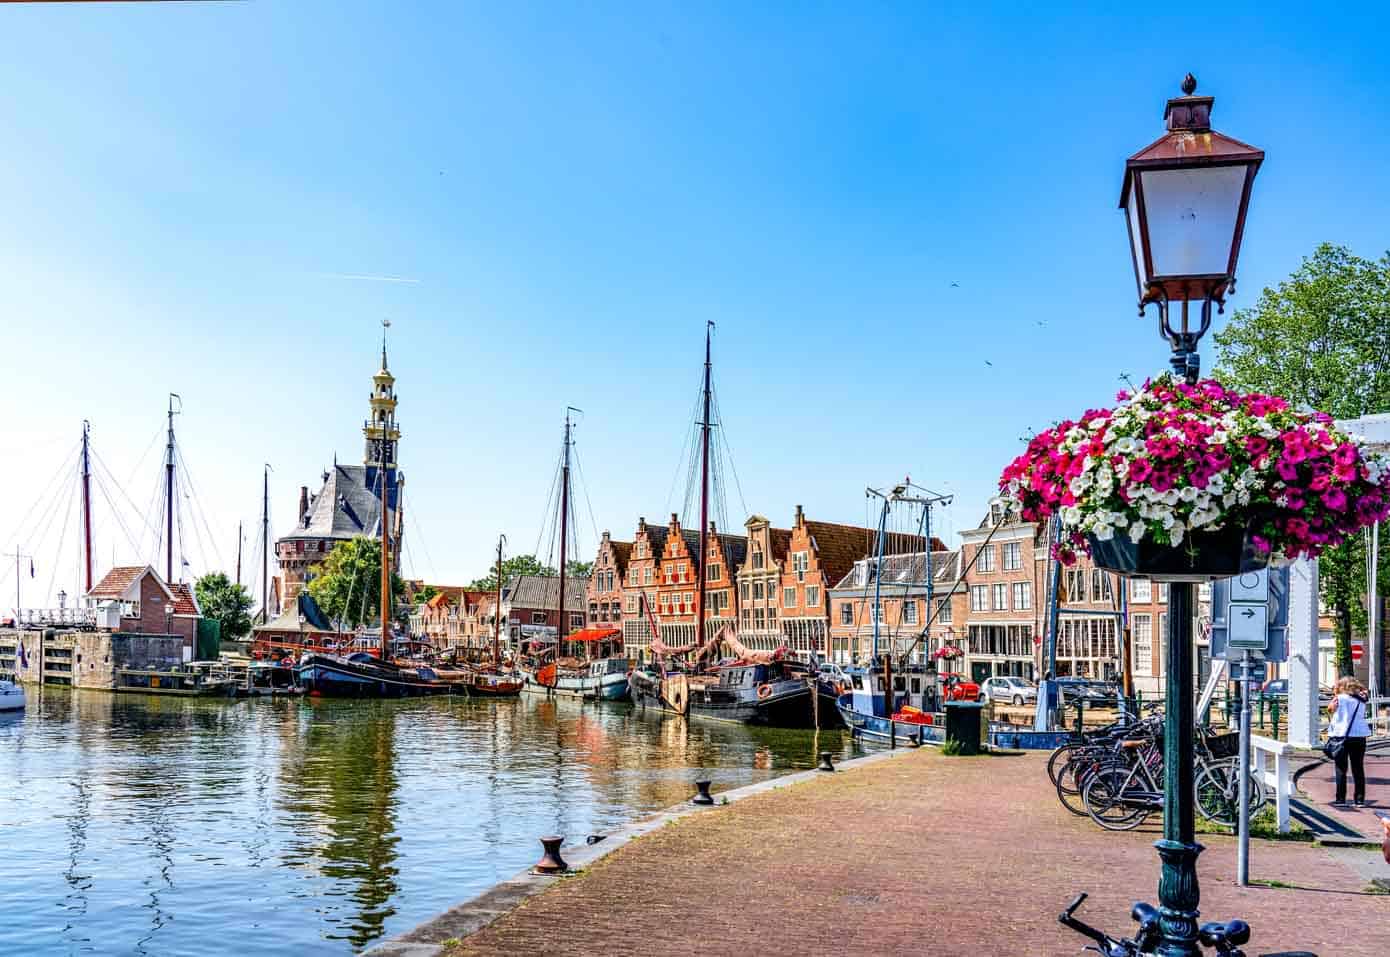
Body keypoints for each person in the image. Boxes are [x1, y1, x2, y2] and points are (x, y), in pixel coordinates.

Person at [1326, 676, 1372, 808]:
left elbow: (1330, 710)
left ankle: (1341, 799)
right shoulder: (1362, 699)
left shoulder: (1339, 698)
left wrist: (1332, 707)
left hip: (1341, 736)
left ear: (1342, 686)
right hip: (1359, 736)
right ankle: (1360, 800)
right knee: (1358, 768)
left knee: (1341, 768)